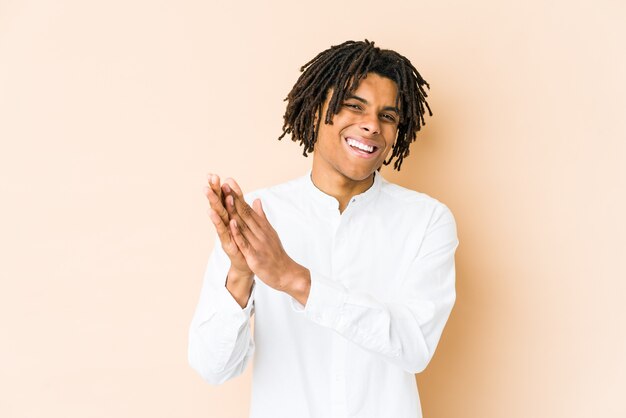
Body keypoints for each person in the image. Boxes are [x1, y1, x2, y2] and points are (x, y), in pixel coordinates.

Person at [188, 40, 459, 418]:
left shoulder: (427, 221)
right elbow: (213, 367)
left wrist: (294, 279)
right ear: (317, 112)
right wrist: (240, 274)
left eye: (388, 116)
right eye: (354, 106)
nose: (371, 125)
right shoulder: (258, 219)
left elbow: (414, 346)